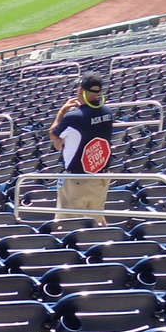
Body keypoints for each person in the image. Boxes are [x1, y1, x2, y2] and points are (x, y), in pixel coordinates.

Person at [49, 74, 115, 224]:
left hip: (78, 178)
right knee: (96, 220)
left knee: (68, 224)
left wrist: (61, 112)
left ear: (79, 90)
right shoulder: (107, 113)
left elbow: (52, 134)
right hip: (100, 177)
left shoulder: (74, 117)